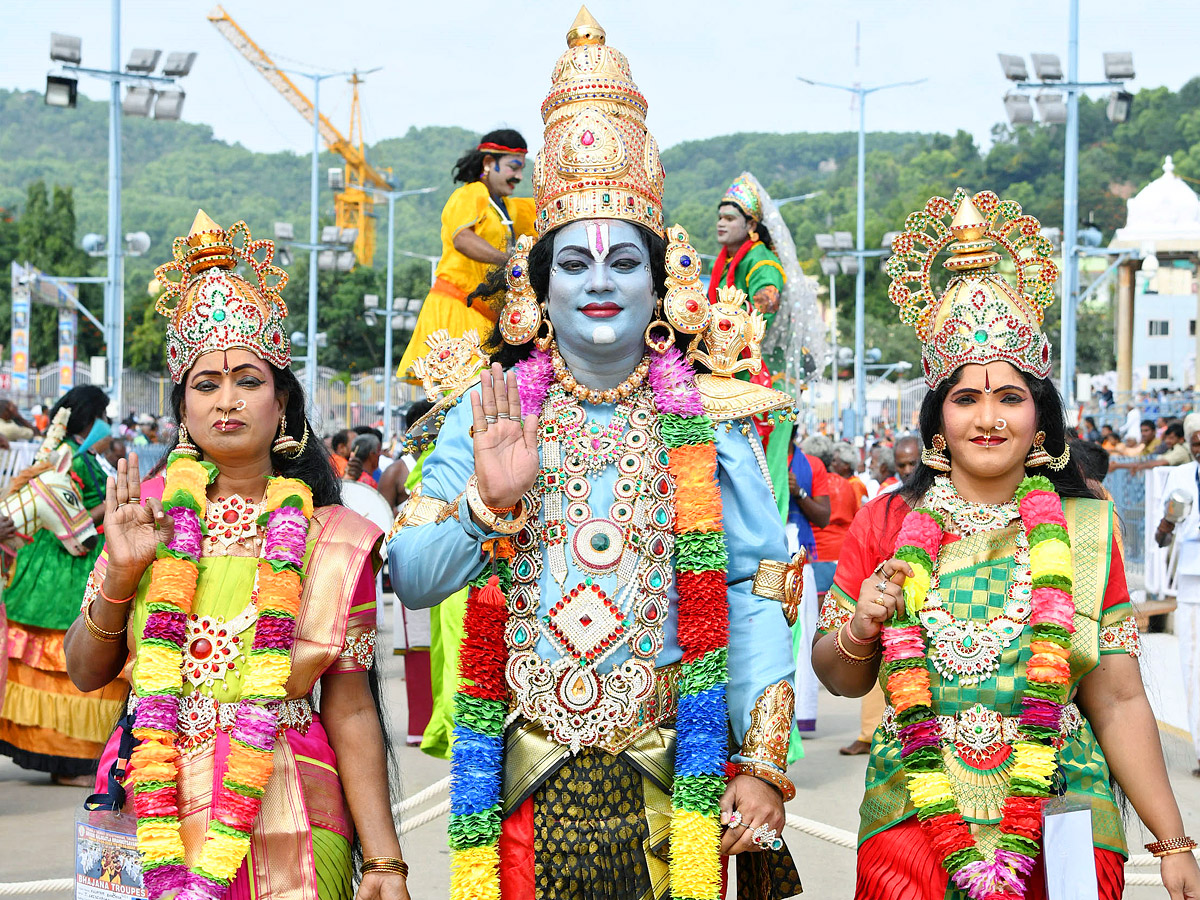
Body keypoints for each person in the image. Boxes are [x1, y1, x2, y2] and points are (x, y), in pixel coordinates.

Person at [389, 11, 801, 897]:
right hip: (519, 784)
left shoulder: (708, 422)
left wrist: (762, 762)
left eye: (624, 262)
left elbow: (759, 584)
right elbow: (413, 576)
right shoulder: (487, 411)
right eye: (573, 263)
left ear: (663, 285)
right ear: (537, 290)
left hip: (670, 776)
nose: (601, 281)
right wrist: (489, 509)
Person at [813, 189, 1200, 899]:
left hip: (1064, 814)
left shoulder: (1087, 527)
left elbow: (1116, 700)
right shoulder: (886, 523)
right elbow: (840, 677)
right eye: (965, 398)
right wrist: (862, 627)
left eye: (1009, 397)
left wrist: (1173, 840)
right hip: (911, 816)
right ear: (938, 420)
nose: (988, 418)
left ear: (1040, 417)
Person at [63, 211, 409, 900]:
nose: (227, 400)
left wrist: (386, 863)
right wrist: (125, 573)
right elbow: (84, 670)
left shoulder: (334, 535)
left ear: (281, 404)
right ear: (182, 407)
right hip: (150, 796)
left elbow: (351, 708)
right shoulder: (147, 515)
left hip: (294, 806)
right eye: (206, 384)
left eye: (247, 381)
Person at [0, 384, 114, 785]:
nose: (107, 421)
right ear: (89, 416)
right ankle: (67, 762)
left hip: (67, 552)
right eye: (102, 413)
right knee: (67, 651)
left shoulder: (79, 450)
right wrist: (114, 505)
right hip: (65, 560)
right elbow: (73, 512)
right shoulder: (71, 456)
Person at [710, 172, 825, 519]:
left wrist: (721, 325)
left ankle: (770, 545)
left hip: (768, 383)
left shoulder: (761, 261)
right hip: (742, 378)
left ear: (751, 225)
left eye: (730, 218)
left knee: (766, 468)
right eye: (719, 217)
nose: (721, 223)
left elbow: (765, 304)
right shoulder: (727, 261)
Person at [396, 129, 537, 377]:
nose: (518, 176)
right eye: (513, 167)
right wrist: (509, 260)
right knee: (464, 399)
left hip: (486, 319)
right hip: (457, 310)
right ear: (489, 163)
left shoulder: (508, 207)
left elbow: (546, 208)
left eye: (522, 168)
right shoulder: (471, 193)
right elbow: (462, 238)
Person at [788, 438, 831, 738]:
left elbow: (824, 516)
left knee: (802, 634)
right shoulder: (756, 450)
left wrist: (798, 492)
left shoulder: (811, 465)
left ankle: (799, 713)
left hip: (801, 554)